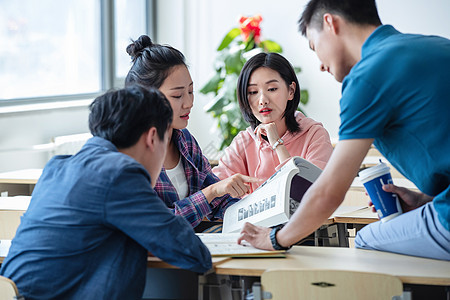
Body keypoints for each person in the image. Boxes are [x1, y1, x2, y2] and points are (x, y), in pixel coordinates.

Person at [238, 0, 450, 260]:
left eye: (315, 47)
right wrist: (424, 201)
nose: (320, 64)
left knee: (365, 240)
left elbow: (330, 191)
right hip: (441, 201)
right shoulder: (438, 46)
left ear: (330, 23)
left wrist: (276, 238)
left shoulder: (366, 76)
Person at [0, 86, 212, 299]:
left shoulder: (57, 167)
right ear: (152, 137)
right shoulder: (120, 173)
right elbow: (193, 254)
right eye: (166, 141)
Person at [125, 35, 259, 229]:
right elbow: (158, 224)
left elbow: (217, 199)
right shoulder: (130, 154)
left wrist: (254, 214)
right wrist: (211, 192)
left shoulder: (184, 141)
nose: (189, 103)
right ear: (146, 97)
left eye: (190, 91)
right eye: (178, 95)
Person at [213, 52, 333, 193]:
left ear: (291, 91)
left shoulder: (315, 135)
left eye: (272, 89)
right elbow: (215, 187)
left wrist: (277, 143)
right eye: (253, 92)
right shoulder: (243, 141)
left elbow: (311, 193)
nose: (262, 100)